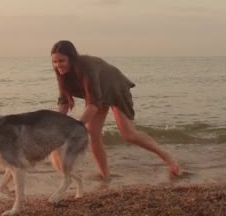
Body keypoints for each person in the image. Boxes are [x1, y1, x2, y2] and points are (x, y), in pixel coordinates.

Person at [50, 40, 181, 179]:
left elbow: (93, 104)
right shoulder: (62, 74)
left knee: (129, 135)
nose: (58, 65)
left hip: (116, 89)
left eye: (62, 61)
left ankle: (167, 156)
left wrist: (75, 126)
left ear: (72, 58)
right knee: (93, 134)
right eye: (55, 62)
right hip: (98, 94)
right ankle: (105, 175)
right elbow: (63, 101)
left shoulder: (87, 67)